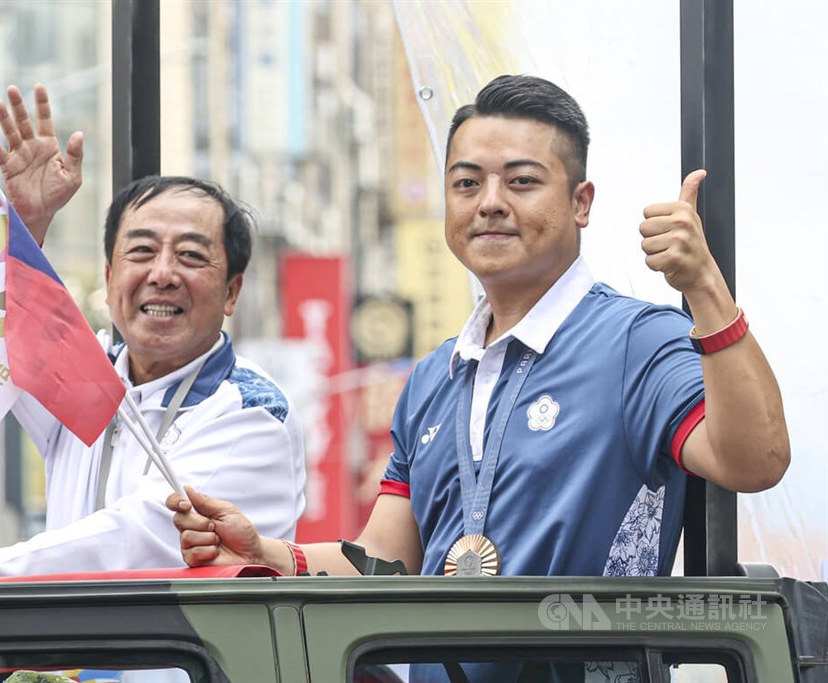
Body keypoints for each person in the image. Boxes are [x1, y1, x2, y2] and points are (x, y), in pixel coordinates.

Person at [168, 74, 789, 581]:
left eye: (521, 181)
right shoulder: (434, 375)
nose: (490, 201)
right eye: (467, 183)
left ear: (582, 202)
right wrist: (270, 553)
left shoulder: (638, 341)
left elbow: (756, 461)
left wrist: (704, 287)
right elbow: (389, 559)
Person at [0, 84, 306, 581]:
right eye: (141, 251)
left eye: (190, 255)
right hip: (66, 658)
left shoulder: (250, 413)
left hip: (187, 663)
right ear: (109, 276)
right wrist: (27, 227)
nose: (163, 273)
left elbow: (135, 538)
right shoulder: (93, 371)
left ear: (231, 292)